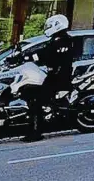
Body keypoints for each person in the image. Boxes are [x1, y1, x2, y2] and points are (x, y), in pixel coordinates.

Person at [21, 14, 76, 142]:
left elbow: (48, 54)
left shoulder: (63, 40)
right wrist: (25, 54)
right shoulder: (57, 39)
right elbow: (44, 50)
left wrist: (28, 57)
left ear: (57, 25)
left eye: (49, 26)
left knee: (36, 100)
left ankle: (36, 132)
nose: (47, 28)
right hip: (54, 75)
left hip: (59, 77)